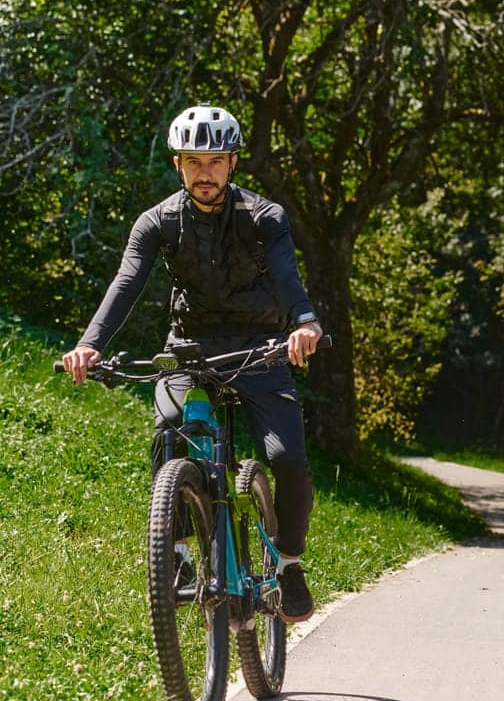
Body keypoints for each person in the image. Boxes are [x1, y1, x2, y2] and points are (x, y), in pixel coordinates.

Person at [60, 105, 325, 622]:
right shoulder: (157, 222)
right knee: (169, 434)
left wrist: (306, 323)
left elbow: (286, 277)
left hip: (258, 347)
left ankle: (289, 564)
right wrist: (90, 343)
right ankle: (178, 556)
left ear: (232, 165)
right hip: (190, 346)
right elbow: (128, 281)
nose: (205, 173)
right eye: (194, 162)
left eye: (216, 162)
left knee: (286, 456)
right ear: (178, 165)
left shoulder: (264, 218)